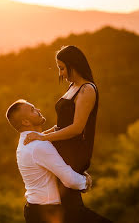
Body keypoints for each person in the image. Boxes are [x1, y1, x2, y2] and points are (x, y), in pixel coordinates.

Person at [24, 45, 111, 222]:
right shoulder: (73, 86)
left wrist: (43, 137)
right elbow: (61, 125)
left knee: (73, 212)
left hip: (72, 154)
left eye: (62, 68)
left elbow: (76, 128)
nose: (61, 73)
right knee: (65, 209)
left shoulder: (87, 90)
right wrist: (37, 137)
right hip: (61, 152)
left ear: (74, 65)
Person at [6, 99, 92, 223]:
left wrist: (54, 130)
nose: (38, 110)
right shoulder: (38, 146)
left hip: (34, 209)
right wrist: (86, 182)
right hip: (46, 214)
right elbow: (69, 180)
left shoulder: (26, 142)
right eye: (33, 110)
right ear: (25, 121)